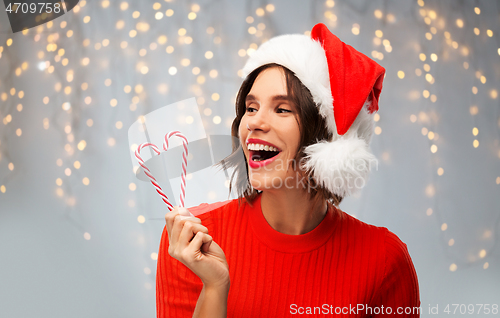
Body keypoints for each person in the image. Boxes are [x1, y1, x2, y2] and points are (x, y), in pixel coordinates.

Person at [157, 23, 420, 317]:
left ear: (326, 136)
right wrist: (215, 287)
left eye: (282, 109)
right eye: (251, 107)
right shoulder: (192, 240)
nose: (254, 122)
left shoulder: (384, 259)